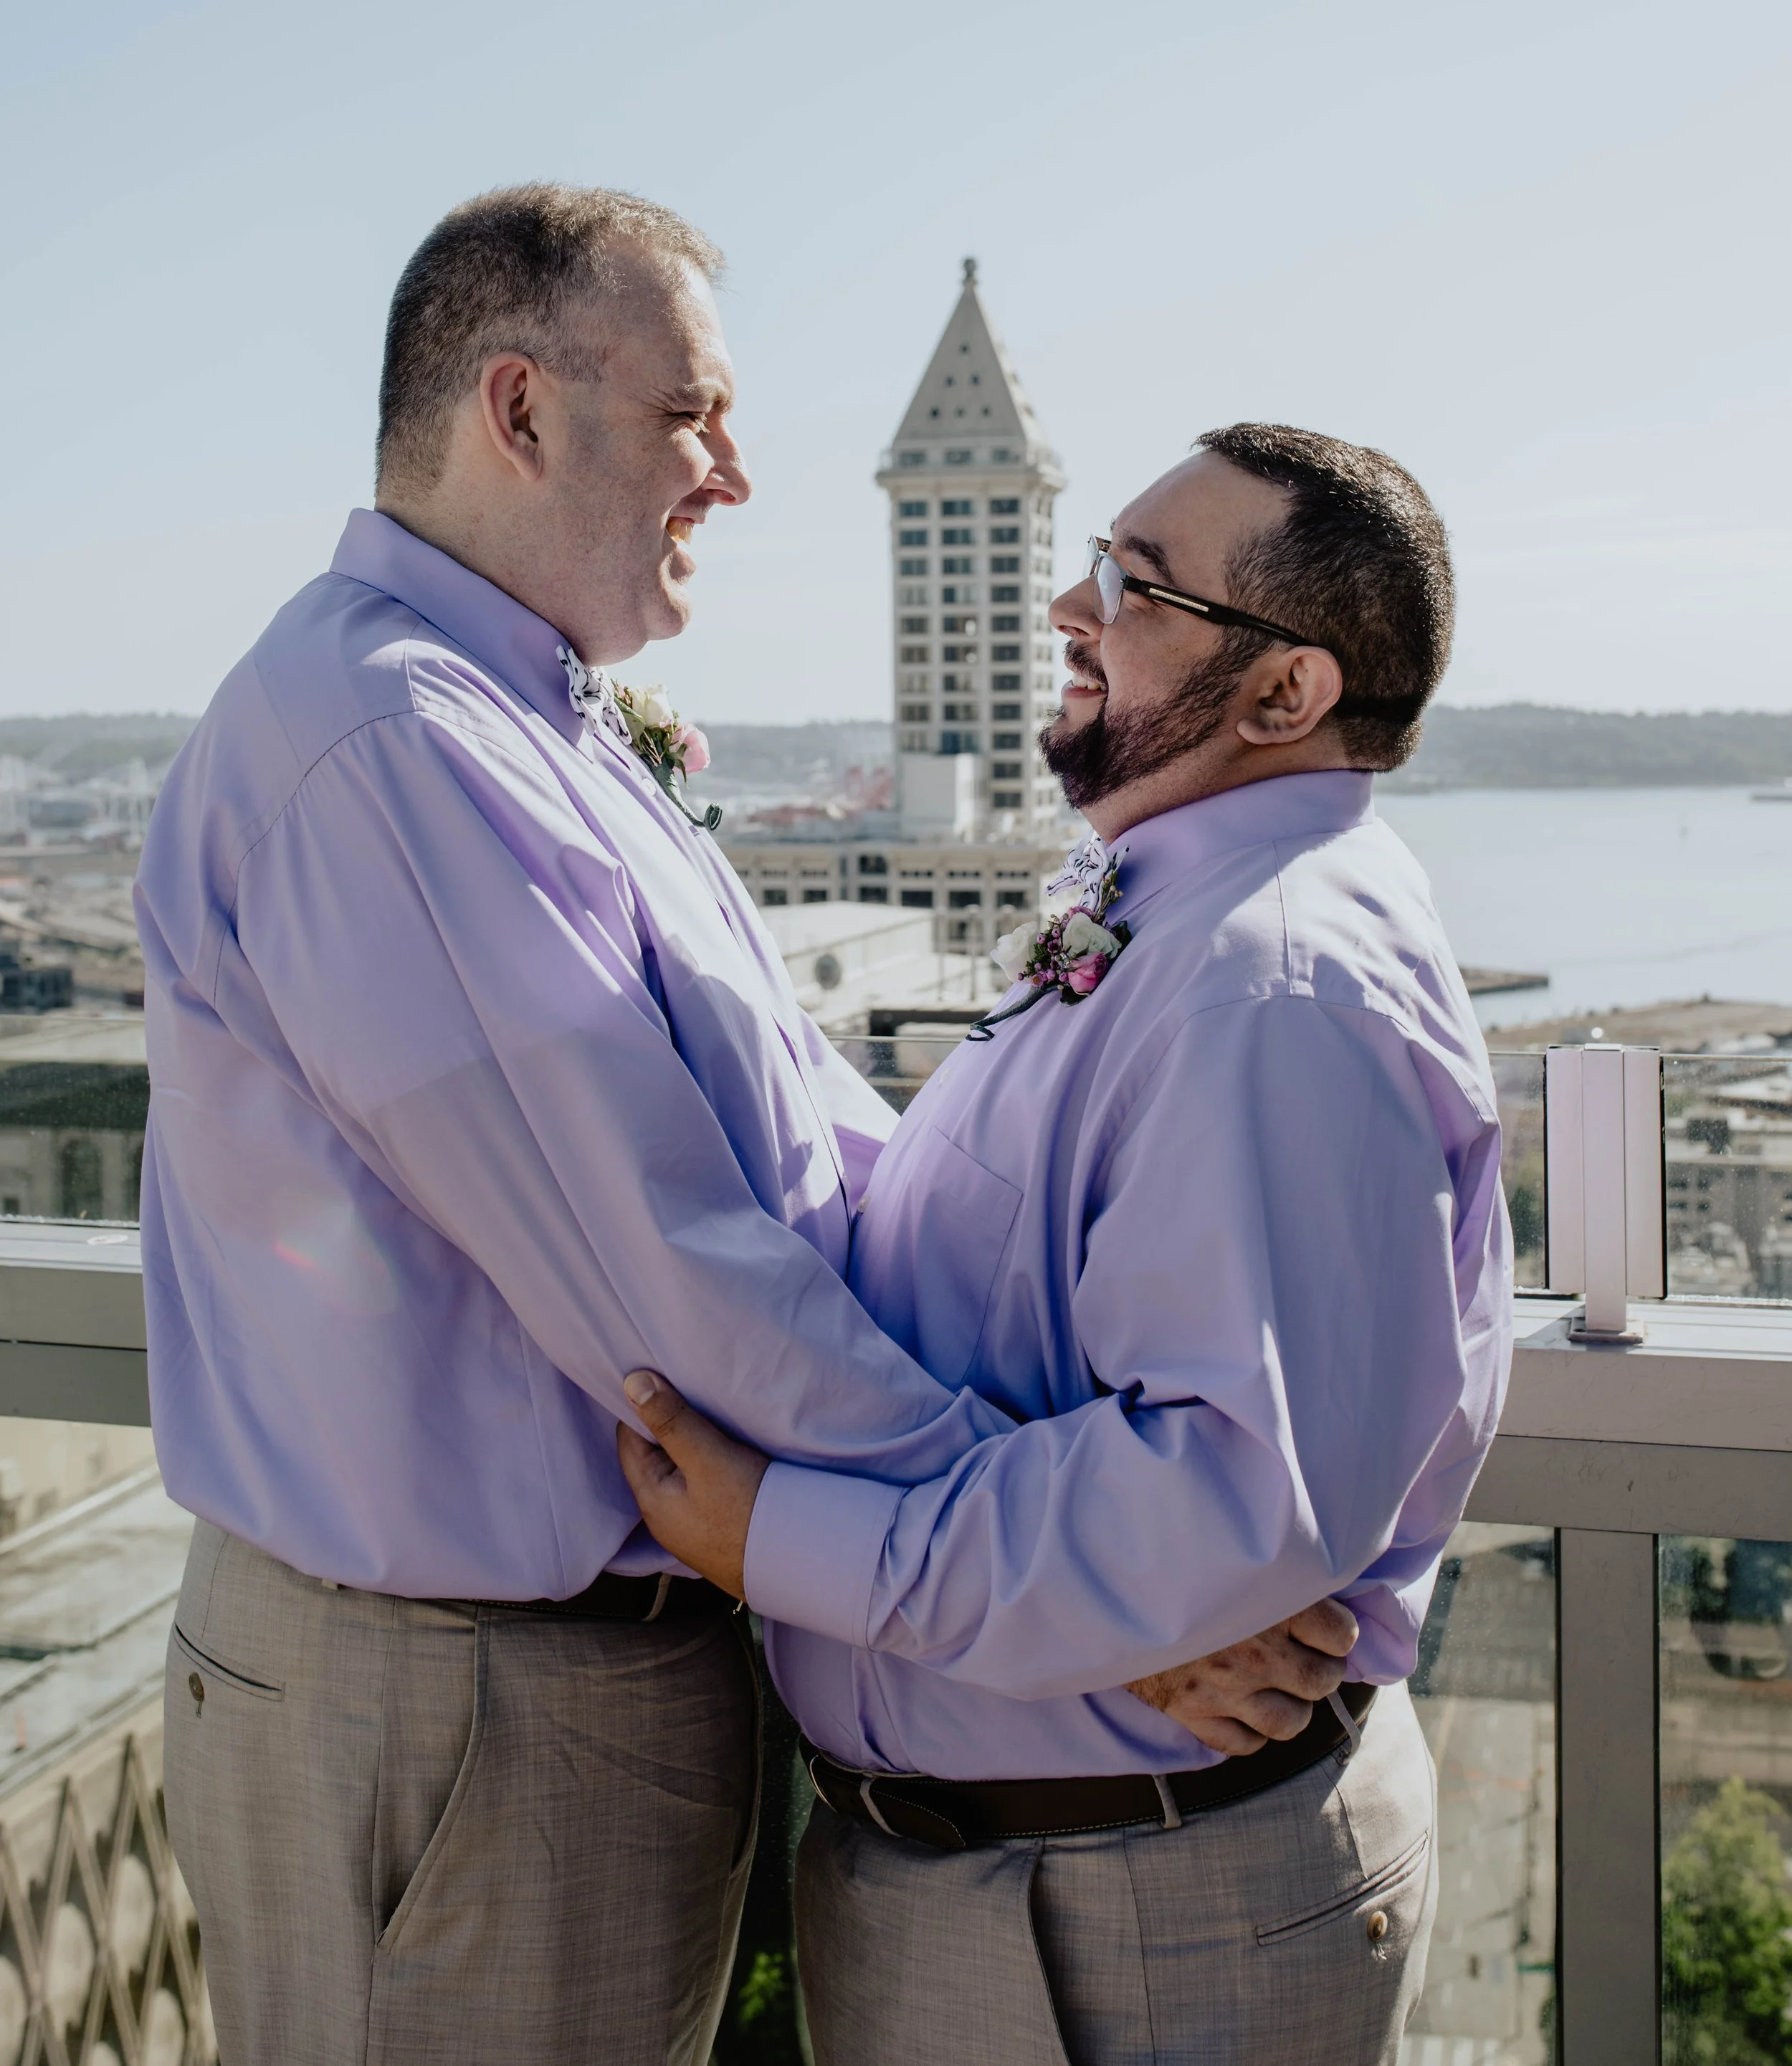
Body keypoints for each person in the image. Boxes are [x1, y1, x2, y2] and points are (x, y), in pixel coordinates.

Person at [136, 188, 1351, 2066]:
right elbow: (675, 1283)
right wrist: (1085, 1583)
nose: (738, 475)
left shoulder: (520, 721)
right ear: (521, 411)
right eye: (694, 411)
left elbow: (811, 1154)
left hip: (574, 1690)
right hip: (459, 1705)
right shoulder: (384, 746)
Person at [620, 423, 1515, 2066]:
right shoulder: (1180, 917)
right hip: (1042, 1873)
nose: (1064, 605)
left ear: (1284, 695)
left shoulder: (1270, 989)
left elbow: (1223, 1503)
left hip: (1127, 1907)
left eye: (1133, 585)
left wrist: (789, 1544)